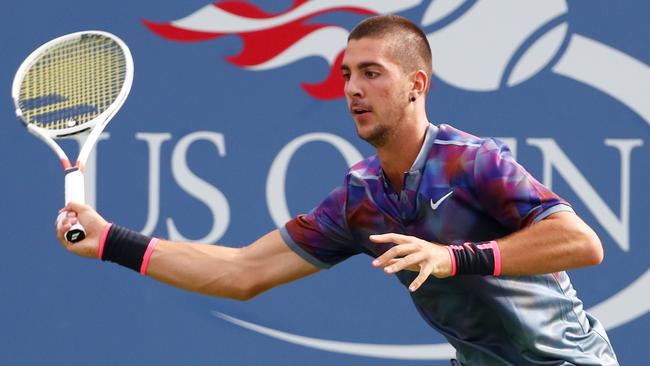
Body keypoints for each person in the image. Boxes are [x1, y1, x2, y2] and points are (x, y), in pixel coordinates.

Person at [56, 15, 618, 366]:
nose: (353, 89)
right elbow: (242, 272)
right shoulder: (360, 199)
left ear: (417, 85)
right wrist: (111, 242)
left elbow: (581, 242)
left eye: (372, 73)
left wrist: (453, 258)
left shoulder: (472, 162)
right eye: (347, 75)